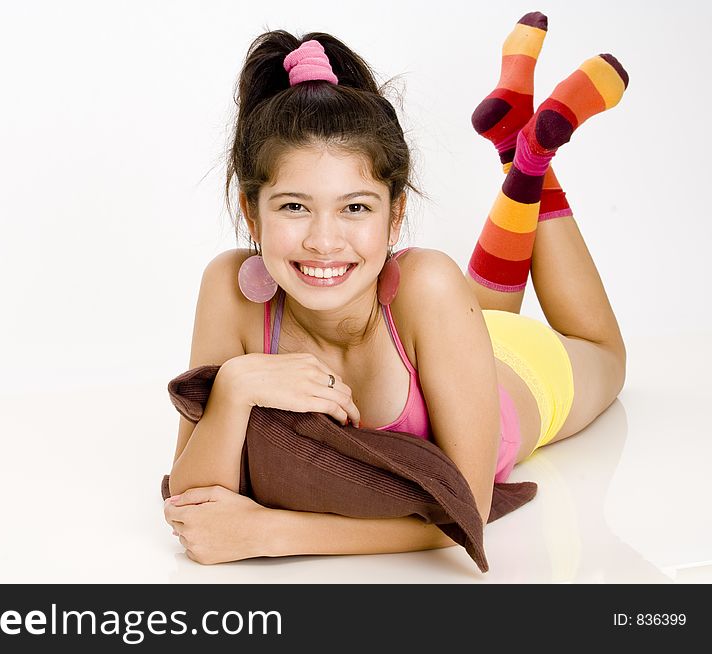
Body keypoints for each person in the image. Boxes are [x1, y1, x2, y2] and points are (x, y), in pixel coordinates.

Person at [163, 12, 628, 565]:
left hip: (517, 368)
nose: (323, 241)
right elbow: (194, 496)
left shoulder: (429, 285)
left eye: (355, 207)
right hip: (445, 335)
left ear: (395, 212)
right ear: (251, 212)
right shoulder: (230, 289)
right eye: (294, 207)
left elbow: (467, 513)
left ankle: (530, 160)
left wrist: (270, 533)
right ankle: (515, 141)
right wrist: (234, 386)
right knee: (470, 307)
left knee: (603, 351)